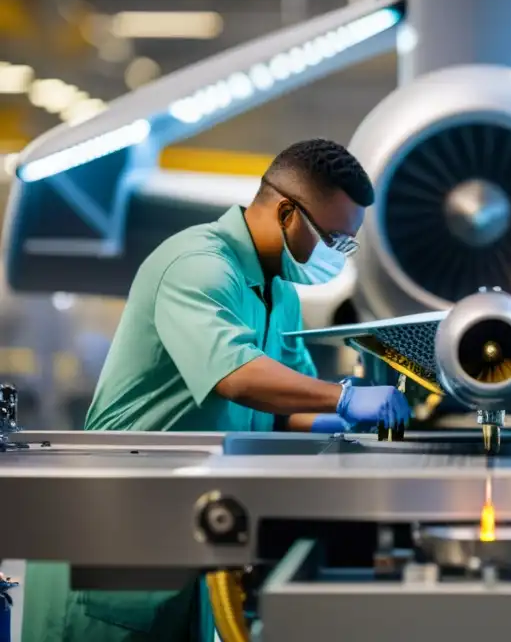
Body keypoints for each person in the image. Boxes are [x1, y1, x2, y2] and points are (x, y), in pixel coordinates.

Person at [21, 139, 410, 642]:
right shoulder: (198, 266)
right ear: (288, 213)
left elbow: (282, 408)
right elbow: (238, 376)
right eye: (334, 240)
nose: (337, 257)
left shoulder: (280, 293)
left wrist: (346, 426)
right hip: (116, 530)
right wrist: (341, 398)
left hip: (190, 526)